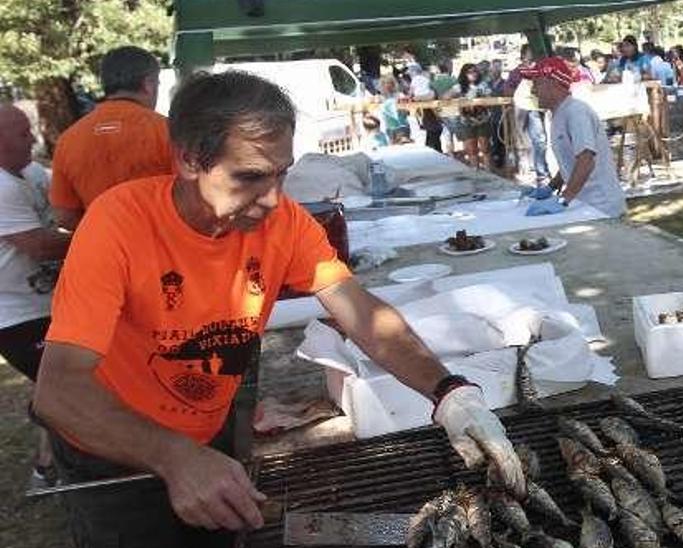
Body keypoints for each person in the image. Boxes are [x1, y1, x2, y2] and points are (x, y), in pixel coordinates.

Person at [31, 71, 526, 547]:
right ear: (187, 159)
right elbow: (59, 391)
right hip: (114, 454)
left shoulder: (283, 222)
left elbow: (362, 314)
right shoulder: (118, 223)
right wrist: (174, 456)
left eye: (281, 173)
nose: (272, 199)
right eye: (249, 176)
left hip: (207, 435)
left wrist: (450, 392)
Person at [0, 105, 71, 488]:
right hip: (13, 317)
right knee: (66, 387)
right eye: (22, 134)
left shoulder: (29, 174)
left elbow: (64, 210)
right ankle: (49, 466)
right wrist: (101, 240)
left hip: (46, 306)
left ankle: (47, 467)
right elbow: (39, 245)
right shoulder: (0, 186)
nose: (33, 139)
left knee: (66, 384)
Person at [49, 46, 172, 231]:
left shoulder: (68, 139)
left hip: (104, 248)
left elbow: (65, 216)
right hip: (164, 244)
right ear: (148, 84)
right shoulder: (170, 131)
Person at [518, 57, 627, 218]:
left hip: (603, 207)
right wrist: (551, 187)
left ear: (552, 83)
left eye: (536, 83)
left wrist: (563, 200)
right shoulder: (557, 114)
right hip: (584, 205)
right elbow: (570, 162)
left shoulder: (576, 112)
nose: (533, 90)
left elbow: (586, 160)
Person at [507, 45, 551, 183]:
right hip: (521, 107)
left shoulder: (541, 70)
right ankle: (525, 167)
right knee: (521, 138)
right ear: (523, 56)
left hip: (536, 108)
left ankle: (541, 171)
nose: (531, 57)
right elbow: (507, 88)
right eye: (528, 54)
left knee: (540, 139)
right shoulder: (516, 72)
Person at [444, 63, 493, 169]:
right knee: (471, 148)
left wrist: (482, 99)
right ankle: (474, 170)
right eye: (470, 72)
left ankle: (489, 171)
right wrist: (457, 98)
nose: (473, 74)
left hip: (482, 120)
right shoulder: (459, 86)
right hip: (466, 121)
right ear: (464, 74)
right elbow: (446, 96)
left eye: (475, 71)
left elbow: (490, 98)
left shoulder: (483, 85)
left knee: (485, 146)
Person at [377, 75, 412, 144]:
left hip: (401, 126)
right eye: (384, 83)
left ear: (393, 84)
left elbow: (407, 112)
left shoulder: (400, 96)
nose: (387, 85)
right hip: (389, 128)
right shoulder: (379, 98)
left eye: (389, 83)